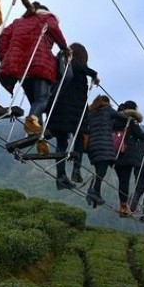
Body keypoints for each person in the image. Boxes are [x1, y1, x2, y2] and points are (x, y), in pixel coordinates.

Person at [0, 2, 70, 136]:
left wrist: (5, 58)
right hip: (40, 65)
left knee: (35, 103)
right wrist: (65, 48)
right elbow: (54, 30)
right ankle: (33, 126)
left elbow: (3, 38)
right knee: (42, 99)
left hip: (21, 69)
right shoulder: (47, 18)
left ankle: (37, 134)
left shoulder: (17, 22)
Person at [46, 43, 99, 189]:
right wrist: (93, 74)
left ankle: (61, 176)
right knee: (78, 139)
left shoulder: (60, 62)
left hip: (61, 110)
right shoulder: (70, 62)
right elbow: (76, 66)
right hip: (72, 110)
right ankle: (75, 169)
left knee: (62, 143)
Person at [82, 95, 123, 207]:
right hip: (104, 145)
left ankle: (97, 195)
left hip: (93, 147)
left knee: (99, 171)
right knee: (101, 172)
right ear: (107, 103)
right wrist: (131, 118)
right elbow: (122, 118)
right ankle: (92, 192)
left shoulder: (91, 113)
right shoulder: (108, 110)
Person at [112, 101, 144, 217]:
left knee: (121, 180)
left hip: (115, 154)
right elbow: (140, 135)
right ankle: (123, 206)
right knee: (124, 181)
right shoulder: (131, 120)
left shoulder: (115, 119)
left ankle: (123, 205)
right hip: (127, 154)